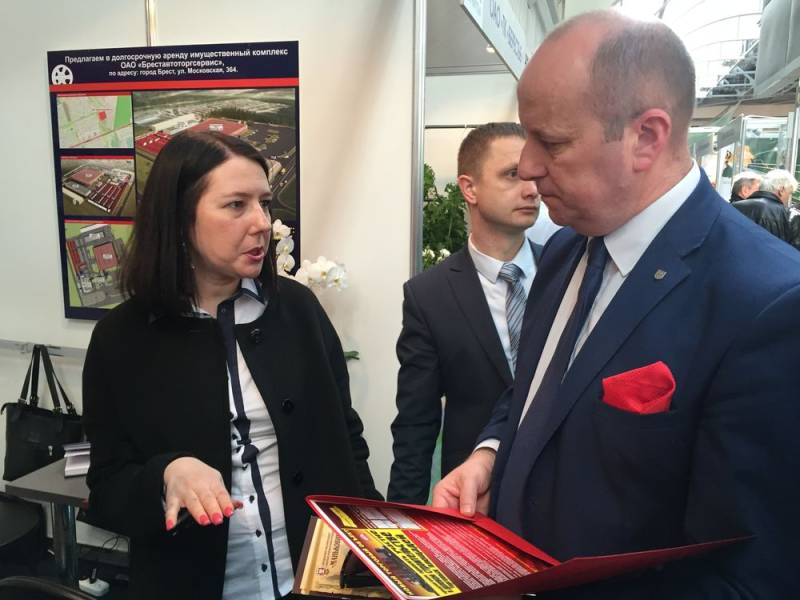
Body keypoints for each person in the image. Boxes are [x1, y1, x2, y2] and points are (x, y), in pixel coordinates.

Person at [433, 10, 800, 598]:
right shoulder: (565, 250)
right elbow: (539, 388)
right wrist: (492, 454)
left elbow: (749, 574)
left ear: (646, 137)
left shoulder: (766, 304)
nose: (528, 166)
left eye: (552, 142)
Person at [82, 131, 381, 600]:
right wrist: (167, 473)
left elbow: (346, 437)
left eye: (264, 203)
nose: (261, 222)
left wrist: (374, 539)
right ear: (180, 218)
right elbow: (107, 487)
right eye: (236, 205)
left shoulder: (298, 310)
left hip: (319, 578)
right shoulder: (121, 338)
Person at [388, 123, 542, 504]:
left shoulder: (568, 271)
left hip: (558, 496)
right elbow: (416, 424)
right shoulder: (430, 295)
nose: (532, 189)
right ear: (469, 188)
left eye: (535, 174)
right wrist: (403, 520)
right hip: (473, 500)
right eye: (513, 175)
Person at [732, 168, 797, 245]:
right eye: (789, 193)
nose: (788, 198)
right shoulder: (779, 211)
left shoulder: (735, 206)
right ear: (781, 190)